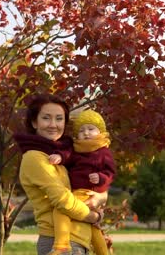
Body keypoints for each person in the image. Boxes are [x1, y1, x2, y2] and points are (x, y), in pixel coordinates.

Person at [14, 94, 106, 255]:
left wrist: (100, 197)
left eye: (59, 119)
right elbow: (63, 199)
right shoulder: (35, 157)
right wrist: (94, 217)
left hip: (78, 238)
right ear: (34, 122)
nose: (53, 125)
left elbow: (91, 182)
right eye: (46, 118)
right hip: (59, 241)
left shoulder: (65, 156)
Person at [48, 109, 116, 255]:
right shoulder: (76, 149)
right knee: (94, 227)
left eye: (91, 129)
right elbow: (67, 155)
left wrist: (101, 178)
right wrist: (59, 157)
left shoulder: (104, 152)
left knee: (60, 210)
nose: (86, 133)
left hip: (89, 192)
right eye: (82, 130)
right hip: (77, 193)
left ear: (101, 132)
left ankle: (61, 246)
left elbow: (110, 173)